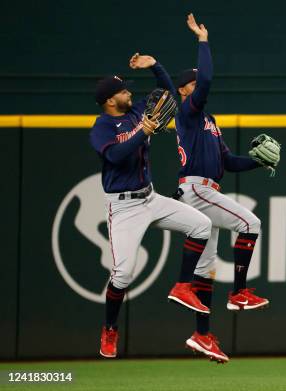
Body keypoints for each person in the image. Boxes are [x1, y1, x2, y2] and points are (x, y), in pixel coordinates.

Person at [90, 53, 214, 358]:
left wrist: (155, 65)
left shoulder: (134, 113)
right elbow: (115, 157)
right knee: (123, 274)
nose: (128, 93)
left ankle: (183, 286)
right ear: (109, 100)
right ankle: (109, 328)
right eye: (122, 91)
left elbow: (167, 94)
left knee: (202, 225)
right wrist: (143, 132)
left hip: (150, 197)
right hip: (123, 208)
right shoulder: (102, 127)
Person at [172, 13, 272, 363]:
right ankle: (240, 293)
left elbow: (228, 162)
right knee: (251, 224)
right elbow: (209, 78)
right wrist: (203, 39)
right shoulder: (187, 111)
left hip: (207, 187)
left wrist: (259, 161)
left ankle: (202, 335)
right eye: (194, 82)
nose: (199, 84)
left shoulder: (209, 121)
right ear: (185, 90)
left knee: (205, 269)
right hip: (198, 188)